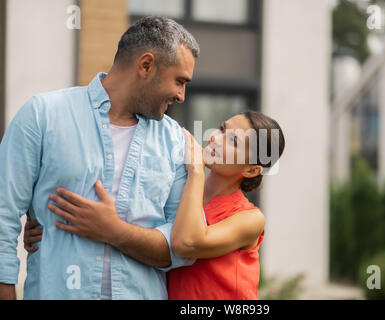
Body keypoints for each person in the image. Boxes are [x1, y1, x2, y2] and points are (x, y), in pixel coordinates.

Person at [0, 16, 200, 300]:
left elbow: (183, 248)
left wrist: (115, 231)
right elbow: (3, 214)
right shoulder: (43, 115)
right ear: (146, 65)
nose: (182, 96)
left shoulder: (176, 141)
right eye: (180, 81)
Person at [25, 110, 286, 299]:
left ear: (252, 170)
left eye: (234, 142)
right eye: (222, 128)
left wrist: (196, 171)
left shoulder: (250, 219)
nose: (216, 138)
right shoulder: (178, 192)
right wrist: (50, 227)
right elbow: (136, 229)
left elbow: (186, 243)